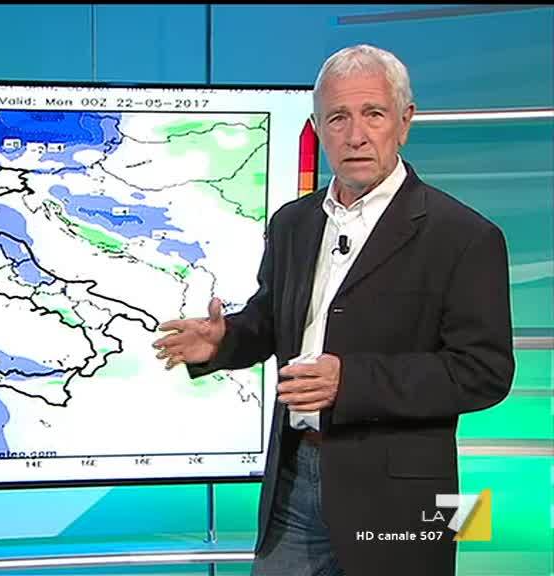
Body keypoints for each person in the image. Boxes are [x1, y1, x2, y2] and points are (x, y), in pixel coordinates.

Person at [153, 44, 514, 576]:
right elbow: (273, 321)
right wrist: (225, 340)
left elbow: (484, 372)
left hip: (399, 498)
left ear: (405, 122)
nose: (355, 135)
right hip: (293, 480)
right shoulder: (292, 223)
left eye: (374, 114)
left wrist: (351, 382)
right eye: (338, 118)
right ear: (318, 129)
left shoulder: (463, 236)